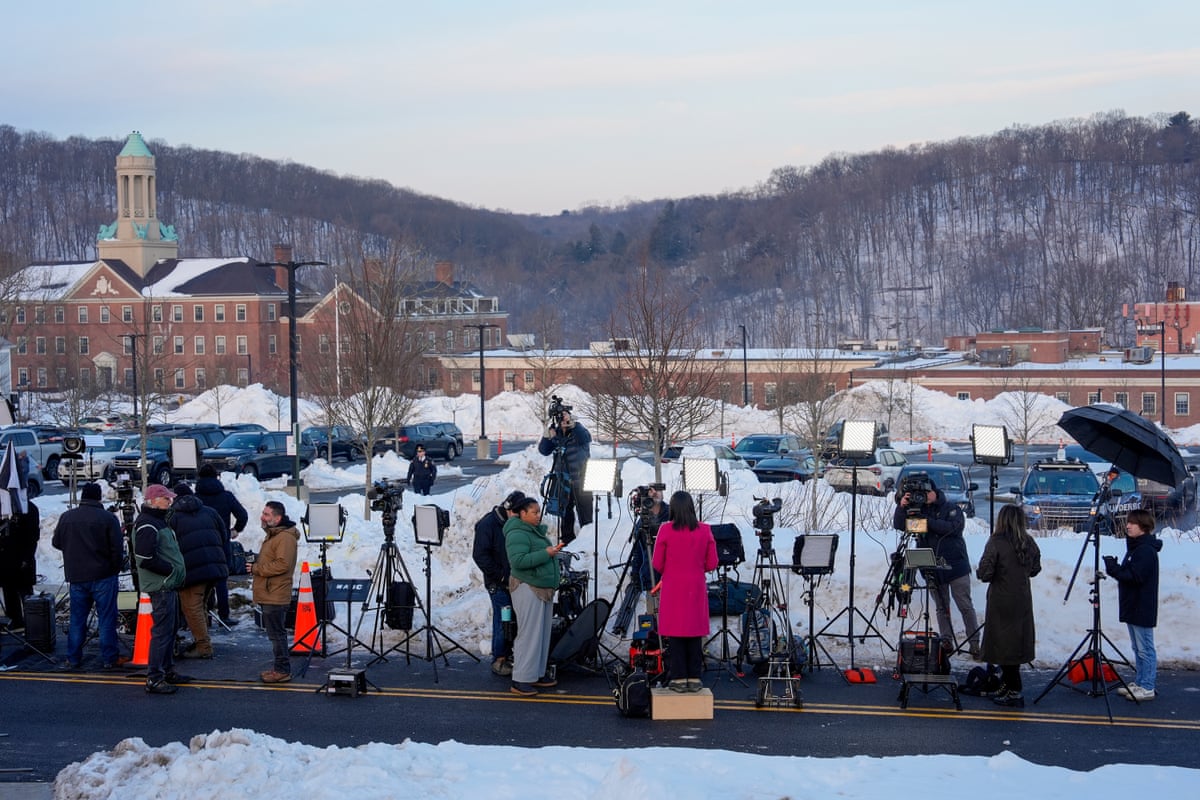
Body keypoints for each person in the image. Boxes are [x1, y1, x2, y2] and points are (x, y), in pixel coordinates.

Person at [893, 476, 980, 658]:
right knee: (941, 607)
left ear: (934, 492)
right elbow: (901, 525)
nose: (923, 497)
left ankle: (974, 643)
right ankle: (946, 641)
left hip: (955, 565)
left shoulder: (950, 508)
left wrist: (926, 522)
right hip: (931, 566)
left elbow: (952, 528)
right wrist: (902, 507)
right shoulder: (917, 510)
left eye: (926, 493)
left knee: (964, 605)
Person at [51, 483, 125, 670]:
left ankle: (73, 658)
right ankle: (109, 658)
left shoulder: (67, 517)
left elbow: (57, 542)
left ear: (83, 497)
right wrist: (114, 568)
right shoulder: (108, 518)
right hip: (103, 575)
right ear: (99, 497)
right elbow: (117, 549)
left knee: (77, 619)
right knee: (106, 619)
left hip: (77, 576)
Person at [651, 490, 718, 692]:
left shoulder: (665, 530)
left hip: (673, 586)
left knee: (676, 633)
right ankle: (694, 677)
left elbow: (657, 563)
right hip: (695, 586)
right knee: (694, 632)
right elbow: (712, 563)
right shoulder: (705, 530)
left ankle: (679, 677)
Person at [977, 503, 1042, 708]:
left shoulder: (996, 542)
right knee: (1015, 643)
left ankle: (1014, 690)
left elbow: (985, 573)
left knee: (1003, 645)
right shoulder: (1028, 542)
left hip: (1001, 599)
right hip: (1022, 599)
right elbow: (1035, 568)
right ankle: (1007, 685)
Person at [133, 483, 190, 694]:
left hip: (168, 584)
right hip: (161, 585)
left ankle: (167, 670)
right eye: (166, 498)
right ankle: (155, 677)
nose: (170, 501)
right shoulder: (148, 524)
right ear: (154, 501)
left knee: (170, 630)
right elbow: (145, 557)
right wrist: (170, 570)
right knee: (162, 633)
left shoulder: (157, 521)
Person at [503, 497, 563, 696]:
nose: (538, 515)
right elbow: (518, 561)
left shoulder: (532, 531)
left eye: (539, 512)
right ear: (522, 513)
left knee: (541, 634)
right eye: (534, 512)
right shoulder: (517, 533)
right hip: (528, 587)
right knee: (529, 634)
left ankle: (536, 673)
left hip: (541, 588)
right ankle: (521, 678)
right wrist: (547, 553)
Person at [1104, 508, 1161, 702]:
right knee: (1138, 648)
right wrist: (1116, 569)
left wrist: (1114, 570)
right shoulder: (1136, 548)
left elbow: (1135, 576)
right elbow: (1131, 573)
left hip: (1141, 606)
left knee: (1145, 648)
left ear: (1143, 526)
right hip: (1133, 605)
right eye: (1128, 522)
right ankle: (1140, 681)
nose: (1128, 526)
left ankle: (1147, 686)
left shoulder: (1145, 551)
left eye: (1132, 523)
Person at [169, 483, 229, 660]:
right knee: (200, 605)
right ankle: (202, 641)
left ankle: (203, 647)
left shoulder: (173, 517)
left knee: (192, 607)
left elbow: (169, 545)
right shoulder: (210, 512)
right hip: (215, 566)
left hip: (191, 569)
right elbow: (224, 536)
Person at [472, 490, 525, 676]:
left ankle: (510, 653)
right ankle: (499, 658)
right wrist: (501, 576)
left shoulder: (515, 524)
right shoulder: (488, 525)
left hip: (515, 581)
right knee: (503, 620)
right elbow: (480, 555)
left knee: (515, 620)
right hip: (498, 584)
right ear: (509, 510)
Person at [195, 463, 249, 625]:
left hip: (201, 544)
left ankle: (206, 616)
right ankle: (224, 616)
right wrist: (235, 530)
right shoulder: (226, 496)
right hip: (221, 544)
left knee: (204, 581)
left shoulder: (195, 498)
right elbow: (242, 515)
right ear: (216, 477)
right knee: (221, 581)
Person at [253, 500, 299, 684]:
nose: (262, 517)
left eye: (266, 514)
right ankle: (279, 668)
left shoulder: (284, 538)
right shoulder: (275, 535)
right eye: (263, 513)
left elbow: (282, 564)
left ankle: (282, 670)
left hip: (276, 594)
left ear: (278, 518)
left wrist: (257, 568)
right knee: (275, 634)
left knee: (277, 634)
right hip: (270, 592)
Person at [537, 409, 592, 544]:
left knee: (585, 515)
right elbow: (544, 450)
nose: (563, 421)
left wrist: (573, 424)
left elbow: (586, 438)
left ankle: (587, 542)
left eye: (565, 418)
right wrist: (547, 436)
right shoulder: (556, 434)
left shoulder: (578, 431)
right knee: (565, 514)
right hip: (563, 482)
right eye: (560, 419)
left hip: (581, 480)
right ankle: (567, 541)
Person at [0, 500, 39, 629]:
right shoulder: (5, 506)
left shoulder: (29, 508)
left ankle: (32, 621)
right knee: (9, 591)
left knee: (24, 591)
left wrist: (27, 557)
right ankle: (16, 620)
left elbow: (33, 536)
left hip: (21, 557)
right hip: (8, 557)